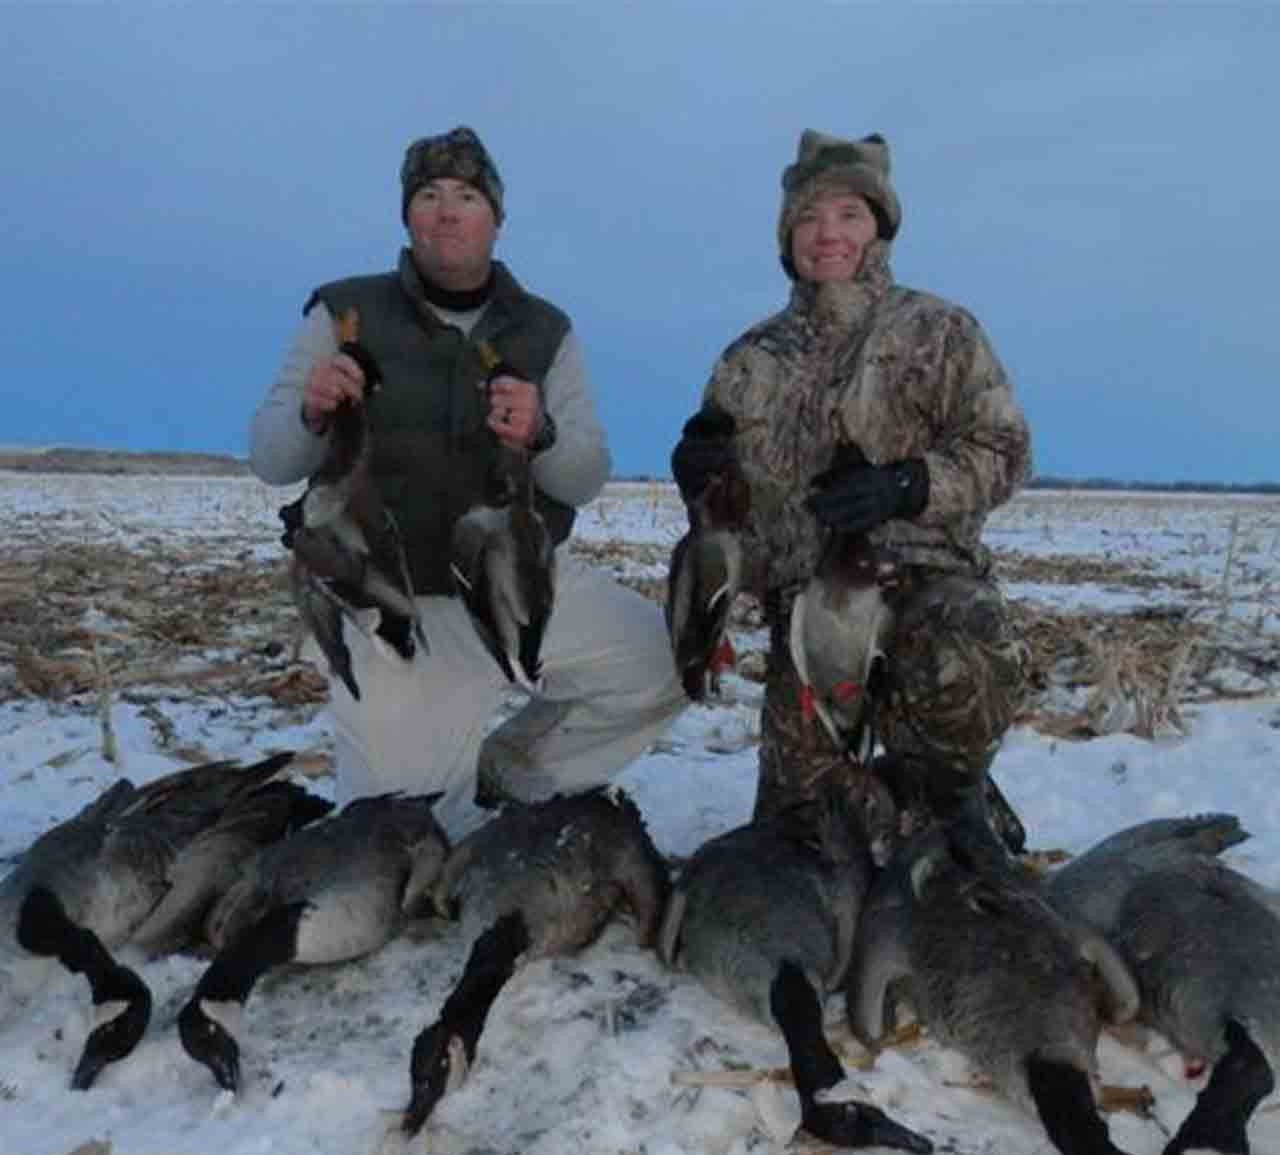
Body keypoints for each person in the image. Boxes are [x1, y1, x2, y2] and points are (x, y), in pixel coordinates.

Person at [250, 126, 687, 837]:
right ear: (407, 216)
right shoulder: (342, 313)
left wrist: (541, 436)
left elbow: (583, 479)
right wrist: (311, 409)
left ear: (496, 217)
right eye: (428, 195)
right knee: (399, 837)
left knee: (667, 662)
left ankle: (514, 774)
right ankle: (429, 768)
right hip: (398, 603)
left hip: (518, 585)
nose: (447, 211)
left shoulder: (547, 331)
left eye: (466, 195)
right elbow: (272, 458)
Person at [671, 128, 1032, 857]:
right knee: (800, 841)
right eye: (808, 217)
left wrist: (908, 485)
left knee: (963, 642)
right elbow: (733, 528)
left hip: (920, 592)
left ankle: (952, 796)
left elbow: (1007, 452)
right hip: (810, 614)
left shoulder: (939, 331)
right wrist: (702, 482)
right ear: (787, 235)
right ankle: (878, 789)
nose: (827, 233)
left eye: (848, 214)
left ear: (880, 227)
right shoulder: (750, 361)